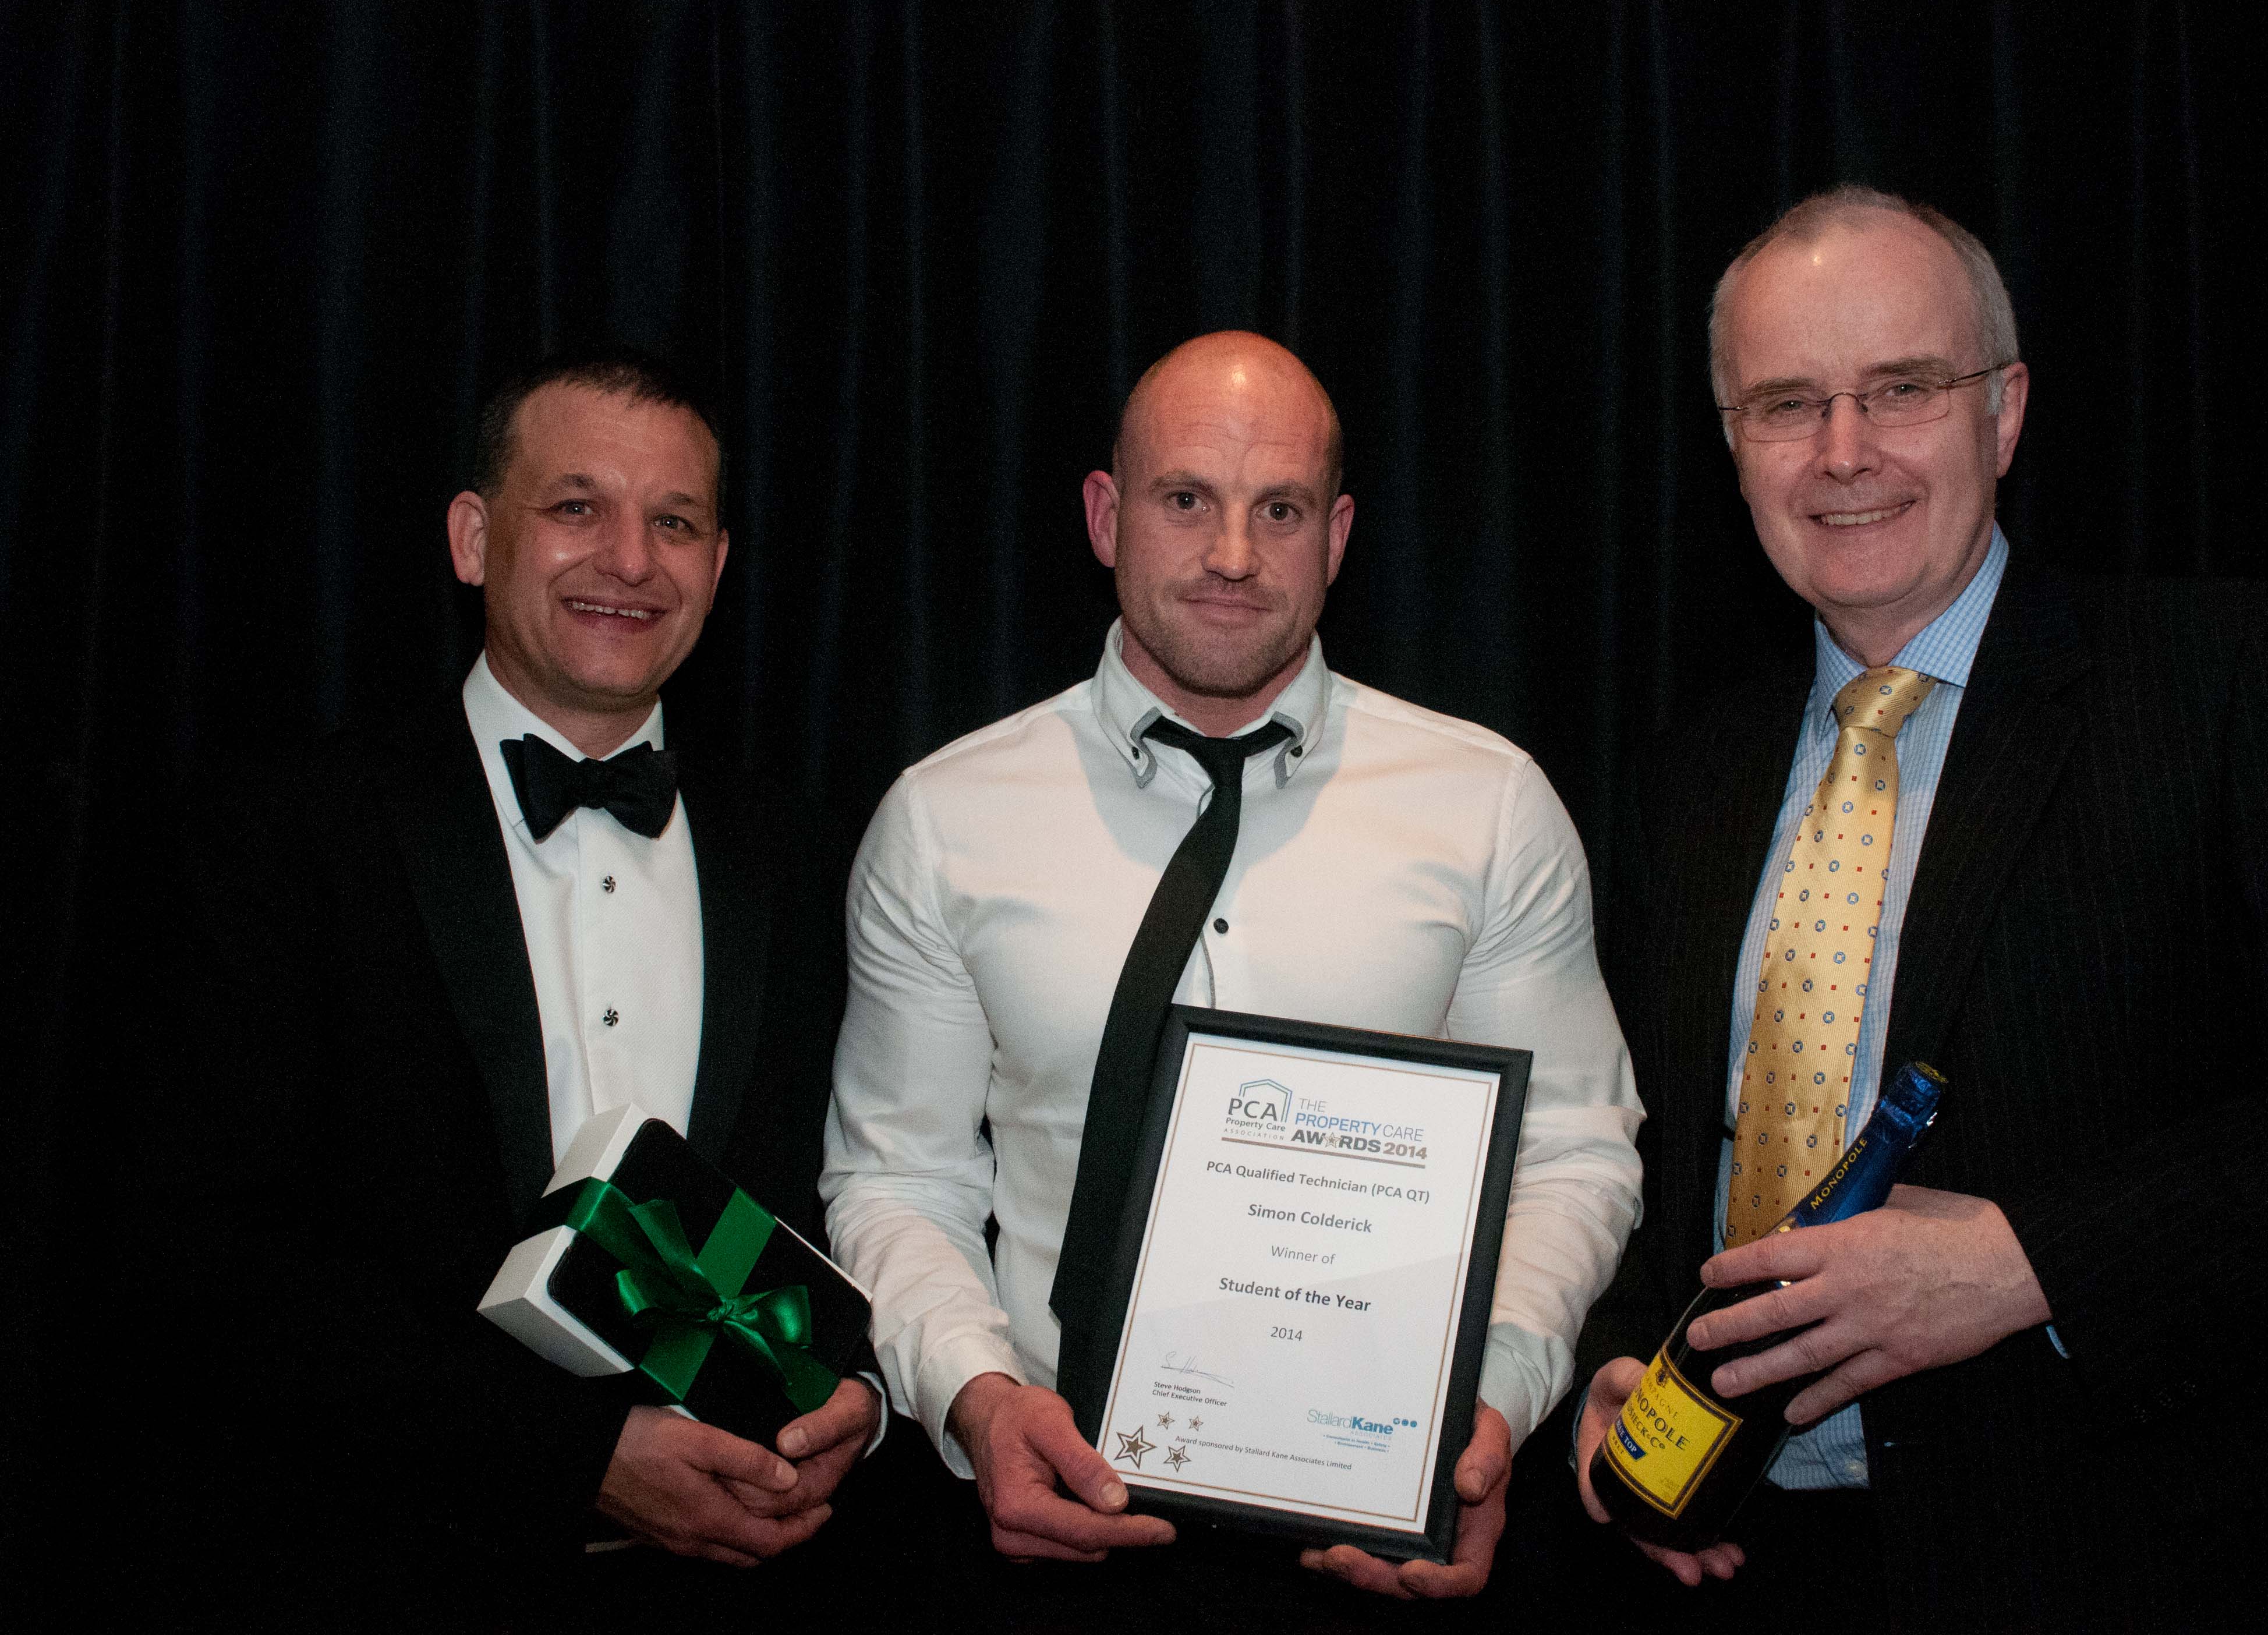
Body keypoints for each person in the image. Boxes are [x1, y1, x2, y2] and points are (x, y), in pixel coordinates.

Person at [1568, 187, 2268, 1627]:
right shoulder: (1691, 771)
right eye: (1787, 403)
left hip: (2118, 1560)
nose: (1842, 451)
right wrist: (1613, 1356)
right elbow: (1654, 1144)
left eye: (1901, 389)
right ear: (1732, 444)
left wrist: (2031, 1262)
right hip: (1736, 1558)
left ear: (2003, 411)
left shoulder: (2217, 678)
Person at [822, 330, 1643, 1613]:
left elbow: (1574, 1151)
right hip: (1045, 1523)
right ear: (1106, 516)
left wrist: (1488, 1403)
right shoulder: (945, 819)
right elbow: (897, 1178)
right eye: (1186, 499)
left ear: (1339, 534)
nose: (1233, 555)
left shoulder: (1488, 806)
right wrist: (976, 1400)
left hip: (1383, 1534)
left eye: (1281, 510)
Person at [169, 352, 878, 1620]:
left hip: (759, 1577)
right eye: (576, 506)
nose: (630, 559)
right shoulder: (285, 833)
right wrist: (569, 1458)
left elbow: (873, 1180)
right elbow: (212, 1252)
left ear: (719, 565)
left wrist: (860, 1394)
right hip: (382, 1564)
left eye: (675, 522)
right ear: (471, 536)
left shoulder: (814, 855)